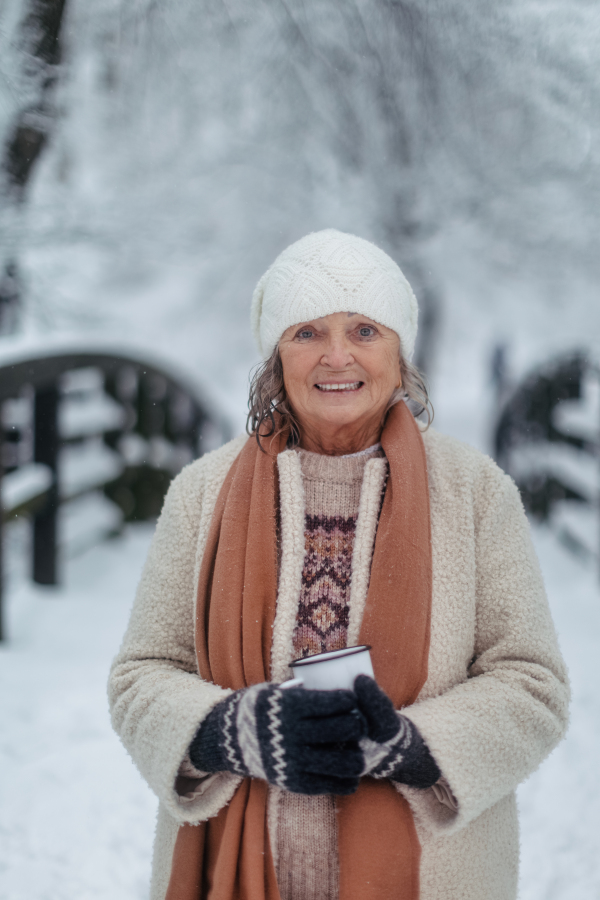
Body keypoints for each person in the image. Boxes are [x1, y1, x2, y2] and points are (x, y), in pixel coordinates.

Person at [109, 229, 569, 900]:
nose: (336, 356)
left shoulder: (476, 493)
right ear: (276, 356)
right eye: (307, 332)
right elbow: (141, 674)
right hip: (240, 871)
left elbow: (532, 684)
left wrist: (410, 747)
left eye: (363, 329)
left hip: (430, 873)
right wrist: (230, 732)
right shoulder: (201, 494)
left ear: (399, 352)